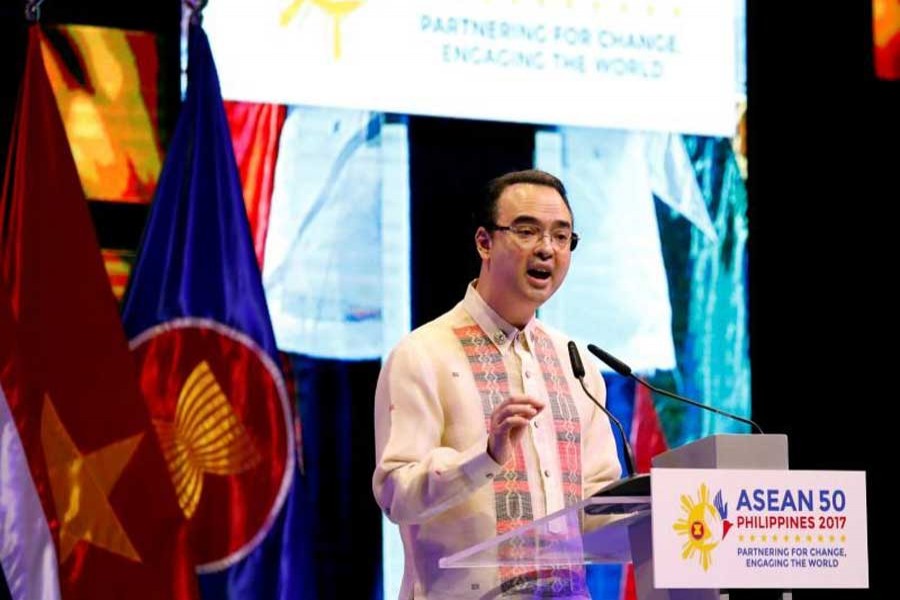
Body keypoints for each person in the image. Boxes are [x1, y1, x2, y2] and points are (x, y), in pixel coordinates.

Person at [373, 169, 622, 599]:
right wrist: (484, 456)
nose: (547, 249)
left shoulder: (575, 363)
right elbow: (397, 493)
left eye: (562, 237)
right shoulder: (423, 353)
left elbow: (594, 502)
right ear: (484, 242)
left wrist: (665, 512)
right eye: (528, 231)